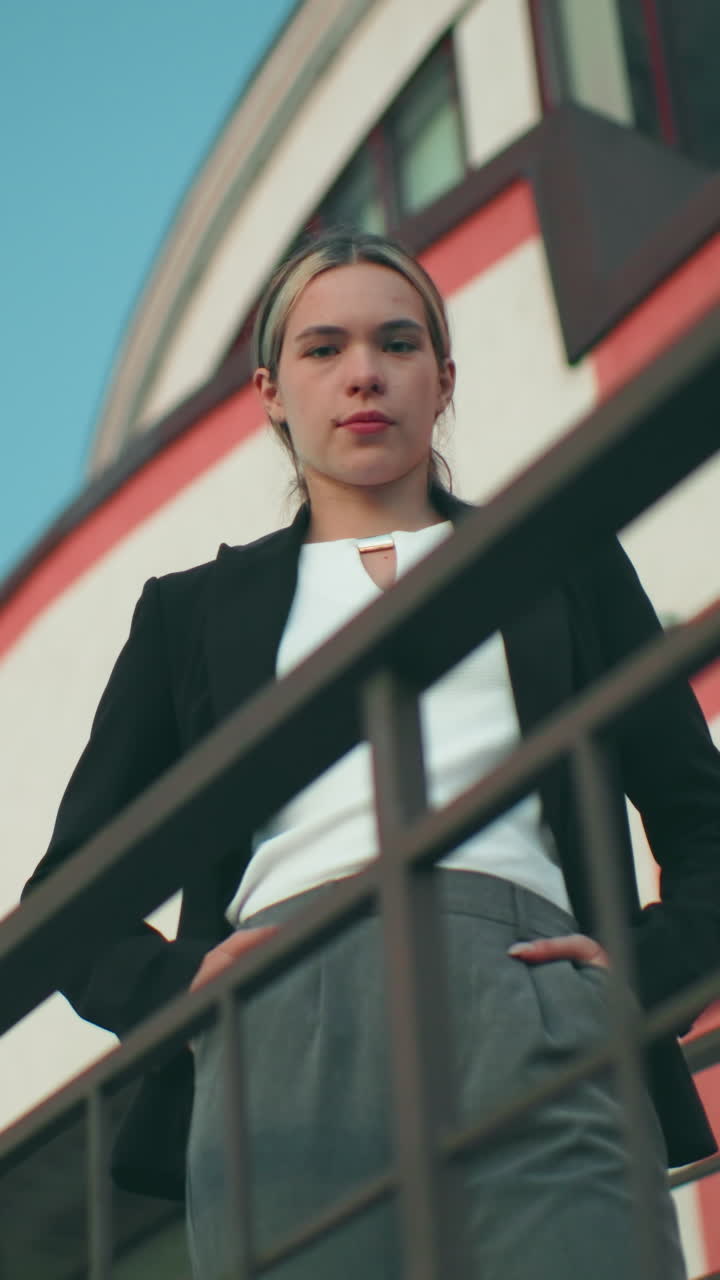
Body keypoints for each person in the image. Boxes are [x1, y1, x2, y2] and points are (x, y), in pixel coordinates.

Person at [23, 229, 720, 1280]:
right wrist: (176, 991)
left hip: (529, 988)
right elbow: (72, 888)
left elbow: (699, 809)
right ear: (269, 391)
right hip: (280, 1024)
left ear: (442, 380)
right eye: (323, 348)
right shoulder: (189, 614)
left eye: (398, 344)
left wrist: (641, 968)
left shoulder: (558, 556)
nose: (363, 373)